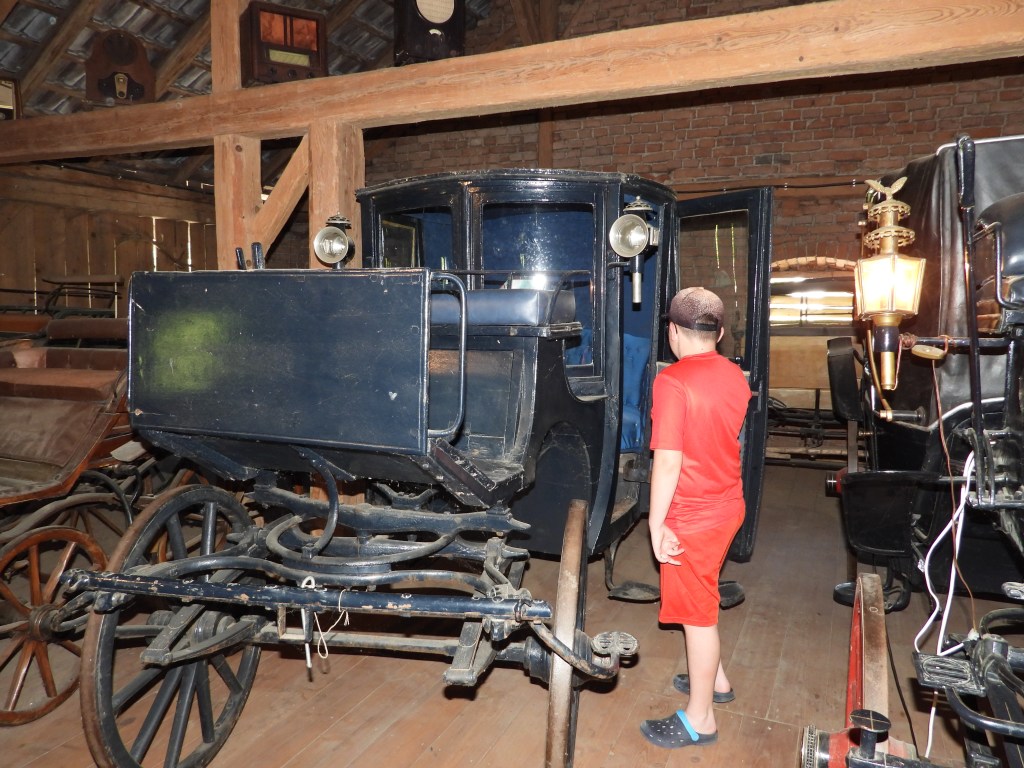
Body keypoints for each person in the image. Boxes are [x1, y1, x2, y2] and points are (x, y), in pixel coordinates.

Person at [639, 286, 751, 749]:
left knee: (698, 617)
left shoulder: (673, 382)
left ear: (672, 332)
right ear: (720, 333)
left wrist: (654, 522)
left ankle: (701, 718)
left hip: (692, 516)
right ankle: (717, 683)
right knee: (703, 595)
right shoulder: (736, 376)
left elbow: (668, 461)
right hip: (728, 505)